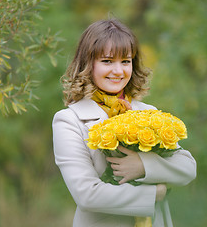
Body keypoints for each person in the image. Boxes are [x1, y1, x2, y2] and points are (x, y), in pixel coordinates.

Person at [52, 18, 196, 227]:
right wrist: (155, 192)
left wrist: (143, 166)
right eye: (107, 61)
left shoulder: (148, 112)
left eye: (126, 61)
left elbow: (188, 167)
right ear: (87, 64)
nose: (118, 71)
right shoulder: (69, 120)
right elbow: (87, 194)